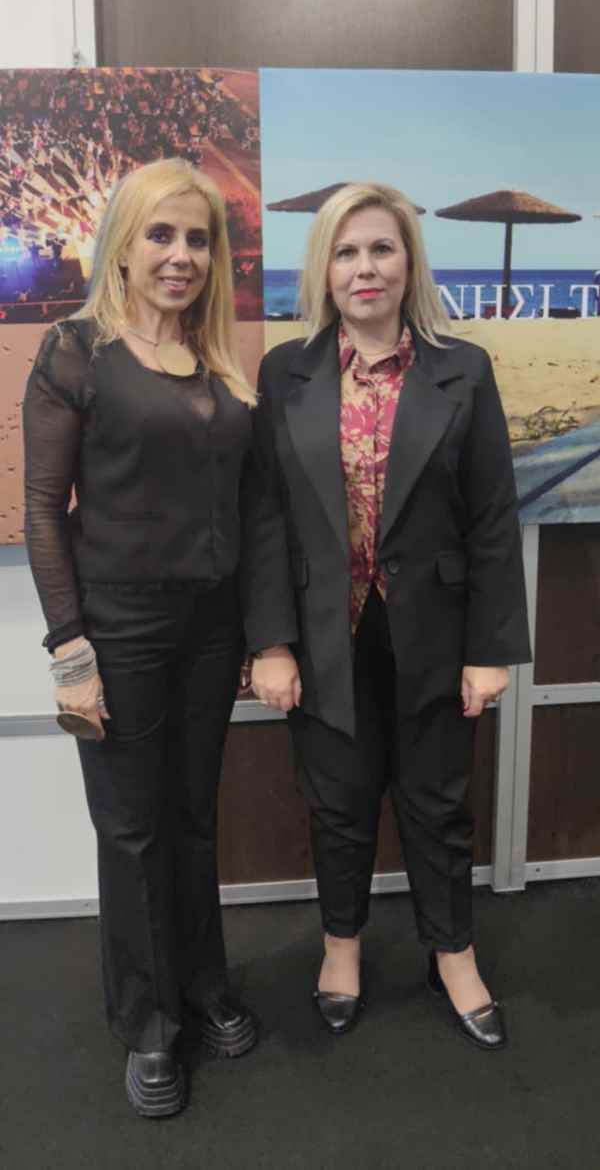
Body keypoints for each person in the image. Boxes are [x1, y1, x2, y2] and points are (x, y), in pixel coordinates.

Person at [23, 157, 297, 1117]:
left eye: (198, 239)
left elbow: (256, 511)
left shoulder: (221, 363)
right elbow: (43, 512)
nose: (181, 256)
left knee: (190, 817)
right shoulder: (76, 351)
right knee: (132, 829)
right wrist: (70, 652)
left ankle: (203, 984)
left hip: (211, 631)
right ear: (124, 246)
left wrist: (265, 634)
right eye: (162, 235)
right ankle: (148, 1022)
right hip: (119, 630)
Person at [249, 182, 531, 1050]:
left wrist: (490, 649)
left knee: (437, 805)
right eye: (345, 252)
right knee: (337, 803)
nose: (363, 268)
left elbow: (492, 517)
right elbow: (266, 517)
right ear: (324, 268)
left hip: (436, 632)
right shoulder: (286, 372)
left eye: (380, 248)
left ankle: (454, 955)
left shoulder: (463, 368)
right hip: (324, 633)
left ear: (409, 261)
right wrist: (270, 642)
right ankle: (341, 948)